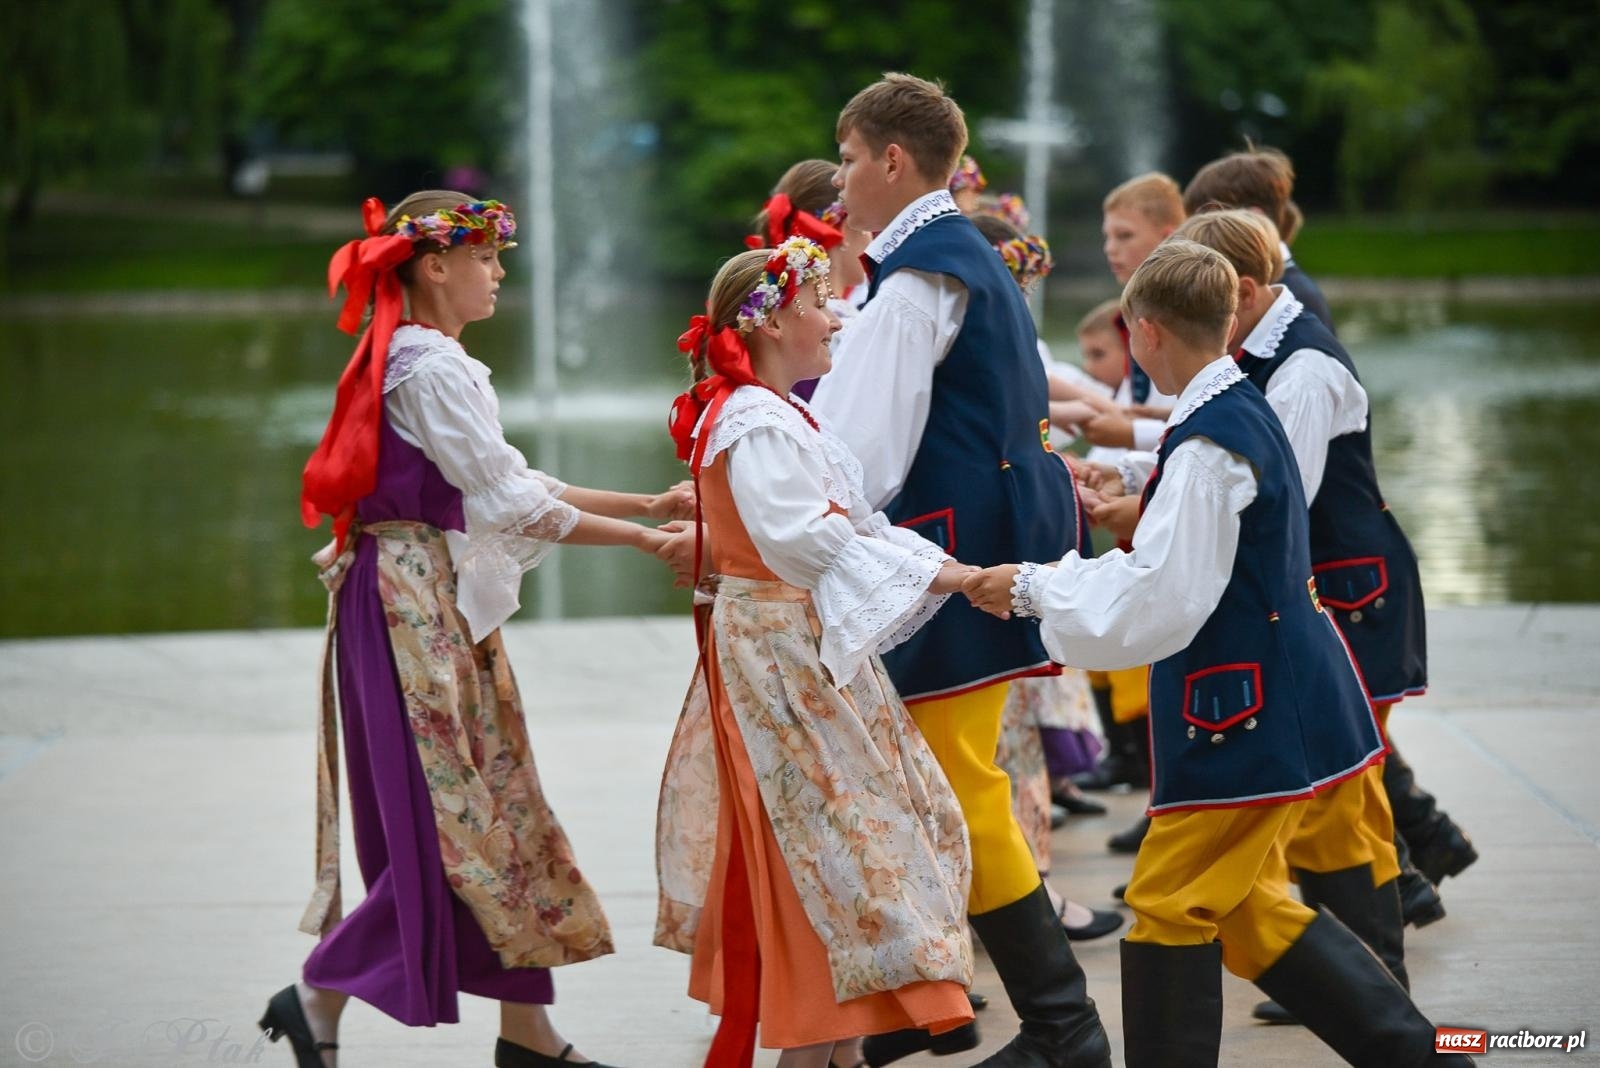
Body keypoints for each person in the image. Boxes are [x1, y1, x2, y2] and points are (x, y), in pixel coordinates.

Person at [962, 239, 1475, 1068]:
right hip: (1272, 696)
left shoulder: (1208, 442)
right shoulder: (1234, 403)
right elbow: (1186, 568)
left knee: (1167, 903)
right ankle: (1423, 1056)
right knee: (1247, 911)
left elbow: (1162, 603)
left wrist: (1030, 589)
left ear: (1148, 332)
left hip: (1245, 712)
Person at [271, 191, 688, 1068]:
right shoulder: (428, 367)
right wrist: (646, 539)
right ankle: (317, 989)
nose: (499, 273)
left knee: (495, 804)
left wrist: (640, 502)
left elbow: (502, 481)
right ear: (434, 265)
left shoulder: (421, 358)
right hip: (406, 602)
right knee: (451, 819)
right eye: (487, 258)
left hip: (422, 597)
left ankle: (529, 1035)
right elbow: (509, 501)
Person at [810, 72, 1110, 1068]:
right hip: (977, 545)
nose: (841, 182)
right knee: (946, 781)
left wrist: (782, 516)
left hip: (949, 556)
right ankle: (933, 1013)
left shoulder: (920, 277)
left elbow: (859, 454)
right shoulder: (954, 259)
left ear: (893, 159)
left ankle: (1060, 1029)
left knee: (956, 786)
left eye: (849, 159)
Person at [658, 239, 978, 1068]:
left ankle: (842, 1042)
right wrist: (950, 577)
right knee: (825, 836)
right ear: (767, 321)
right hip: (778, 649)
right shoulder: (754, 418)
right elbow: (805, 543)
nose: (834, 314)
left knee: (855, 827)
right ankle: (818, 1039)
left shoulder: (780, 413)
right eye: (817, 303)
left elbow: (853, 531)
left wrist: (952, 574)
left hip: (802, 644)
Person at [1171, 208, 1469, 1022]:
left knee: (1342, 799)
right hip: (1323, 587)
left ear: (1239, 289)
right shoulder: (1265, 347)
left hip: (1348, 590)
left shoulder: (1301, 366)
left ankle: (1372, 980)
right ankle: (1367, 975)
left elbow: (1281, 494)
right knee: (1345, 798)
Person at [1181, 146, 1336, 333]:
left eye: (1209, 224)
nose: (1196, 240)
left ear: (1254, 220)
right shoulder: (1279, 287)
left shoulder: (1292, 299)